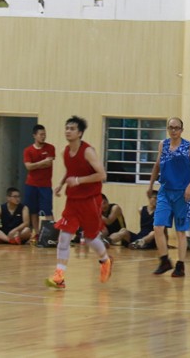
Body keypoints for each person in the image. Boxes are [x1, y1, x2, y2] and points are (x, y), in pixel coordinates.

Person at [45, 116, 112, 289]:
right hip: (73, 201)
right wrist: (61, 184)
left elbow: (102, 175)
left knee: (90, 238)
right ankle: (59, 276)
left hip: (90, 200)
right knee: (64, 237)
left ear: (80, 133)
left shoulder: (88, 151)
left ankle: (105, 260)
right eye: (67, 128)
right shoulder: (65, 152)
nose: (68, 131)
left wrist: (78, 180)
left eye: (72, 128)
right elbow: (70, 170)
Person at [147, 117, 190, 277]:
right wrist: (150, 185)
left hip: (182, 194)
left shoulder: (189, 146)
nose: (173, 130)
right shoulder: (163, 145)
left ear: (181, 130)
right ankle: (164, 260)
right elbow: (157, 166)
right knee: (158, 227)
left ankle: (180, 265)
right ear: (167, 129)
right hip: (165, 191)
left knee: (180, 231)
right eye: (171, 127)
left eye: (177, 128)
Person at [23, 124, 56, 238]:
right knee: (33, 210)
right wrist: (42, 163)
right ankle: (37, 234)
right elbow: (28, 167)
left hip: (45, 185)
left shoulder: (50, 148)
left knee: (48, 210)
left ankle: (52, 235)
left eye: (44, 134)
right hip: (31, 184)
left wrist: (34, 165)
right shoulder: (28, 150)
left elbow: (49, 163)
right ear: (34, 135)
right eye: (41, 134)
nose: (43, 136)